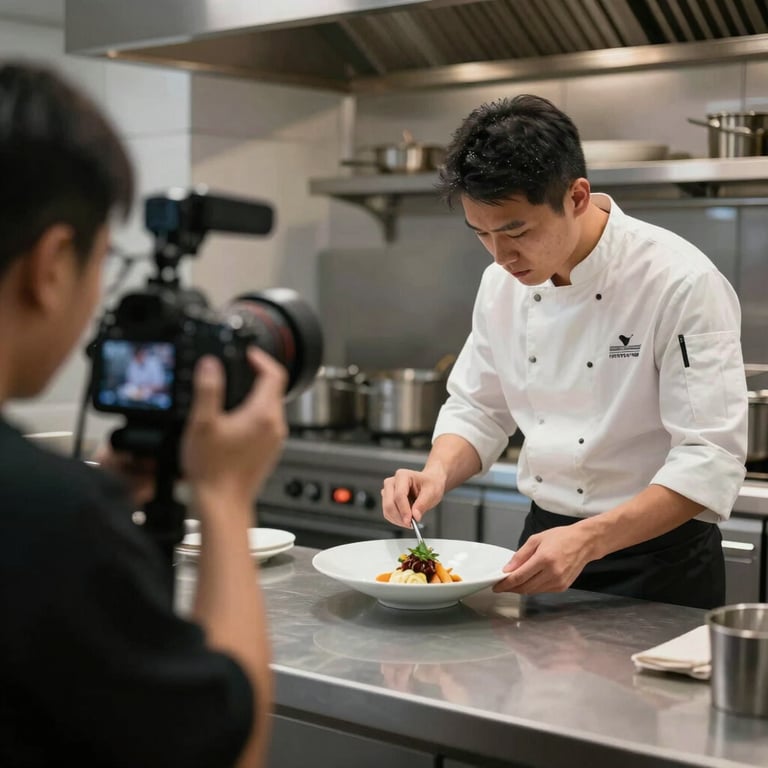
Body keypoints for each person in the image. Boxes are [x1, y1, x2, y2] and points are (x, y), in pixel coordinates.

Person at [0, 62, 286, 767]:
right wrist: (222, 498)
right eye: (105, 257)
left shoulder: (56, 514)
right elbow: (228, 749)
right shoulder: (49, 519)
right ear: (53, 262)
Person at [381, 94, 748, 610]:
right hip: (544, 548)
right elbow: (479, 408)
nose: (501, 256)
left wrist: (589, 539)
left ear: (576, 196)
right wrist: (436, 471)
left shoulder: (680, 282)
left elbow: (709, 459)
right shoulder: (500, 284)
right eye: (482, 234)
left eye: (516, 231)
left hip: (659, 564)